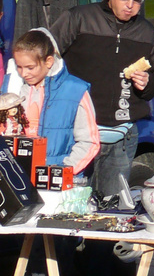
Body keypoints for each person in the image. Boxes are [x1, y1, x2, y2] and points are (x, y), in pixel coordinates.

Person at [50, 0, 154, 199]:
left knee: (110, 210)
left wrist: (148, 82)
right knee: (67, 204)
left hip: (122, 136)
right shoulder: (78, 18)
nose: (130, 5)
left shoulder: (146, 32)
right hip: (76, 133)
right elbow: (49, 59)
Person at [3, 29, 101, 172]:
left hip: (59, 181)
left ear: (49, 61)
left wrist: (64, 171)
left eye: (30, 67)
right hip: (19, 177)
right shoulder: (12, 89)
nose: (24, 73)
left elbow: (89, 141)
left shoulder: (75, 90)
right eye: (19, 67)